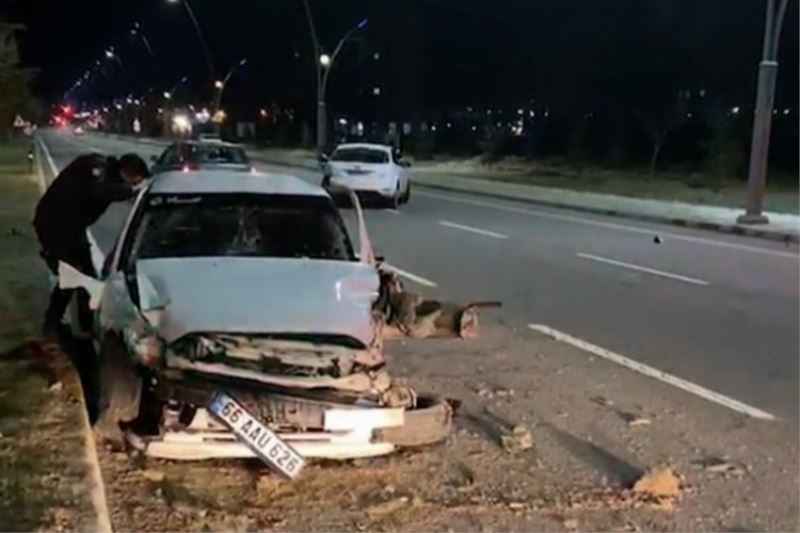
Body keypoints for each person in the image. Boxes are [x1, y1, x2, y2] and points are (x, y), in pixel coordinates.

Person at [33, 152, 151, 339]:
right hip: (54, 225)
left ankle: (85, 326)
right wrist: (130, 190)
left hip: (73, 227)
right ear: (127, 173)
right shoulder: (97, 168)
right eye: (134, 180)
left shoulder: (108, 175)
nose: (132, 185)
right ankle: (52, 327)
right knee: (71, 275)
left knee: (86, 276)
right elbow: (98, 192)